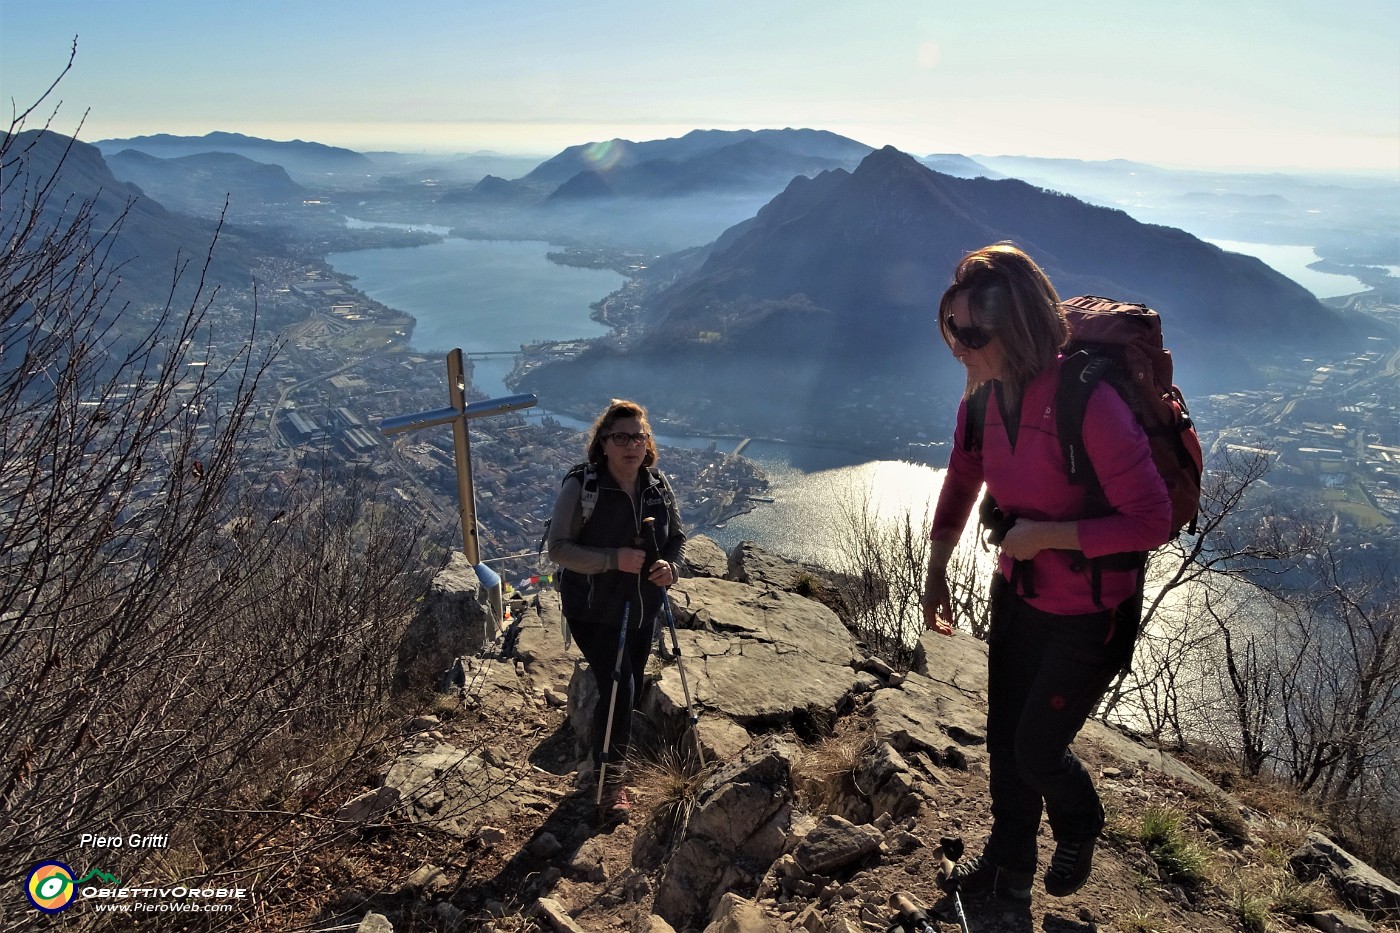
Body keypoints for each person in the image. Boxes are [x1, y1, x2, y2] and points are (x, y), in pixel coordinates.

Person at [922, 243, 1172, 900]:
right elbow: (962, 477)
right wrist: (937, 564)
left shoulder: (1088, 403)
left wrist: (1045, 537)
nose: (958, 346)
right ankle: (1007, 870)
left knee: (1036, 749)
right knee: (1004, 746)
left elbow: (1150, 518)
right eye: (952, 329)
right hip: (1019, 598)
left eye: (973, 333)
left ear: (1020, 327)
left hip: (1091, 615)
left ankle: (1081, 823)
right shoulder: (980, 399)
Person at [547, 399, 686, 819]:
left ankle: (606, 752)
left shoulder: (657, 486)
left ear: (648, 443)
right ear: (603, 444)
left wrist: (671, 567)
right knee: (621, 684)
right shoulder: (583, 487)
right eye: (620, 437)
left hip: (641, 609)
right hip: (593, 609)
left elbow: (677, 538)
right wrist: (614, 559)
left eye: (638, 436)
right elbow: (559, 549)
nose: (631, 445)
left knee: (626, 682)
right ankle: (612, 780)